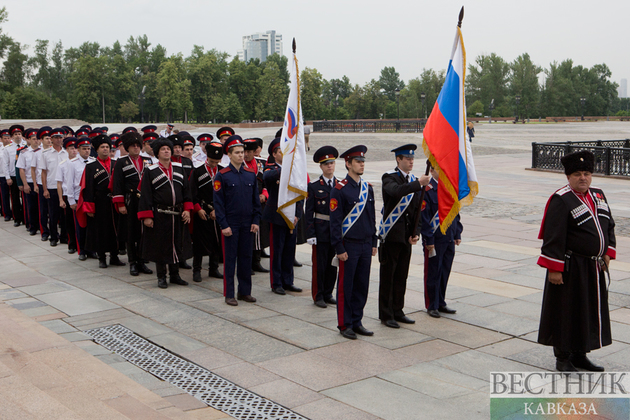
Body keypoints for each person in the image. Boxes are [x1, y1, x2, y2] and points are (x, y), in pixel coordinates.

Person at [537, 150, 615, 372]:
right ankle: (563, 357)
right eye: (578, 174)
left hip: (594, 266)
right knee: (566, 311)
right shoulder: (561, 199)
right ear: (568, 176)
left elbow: (609, 226)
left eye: (587, 173)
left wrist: (608, 252)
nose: (583, 178)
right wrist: (554, 268)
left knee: (587, 310)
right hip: (570, 267)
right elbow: (553, 236)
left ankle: (581, 354)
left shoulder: (598, 195)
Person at [378, 144, 431, 328]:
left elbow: (417, 210)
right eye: (407, 158)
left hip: (406, 237)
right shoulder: (389, 177)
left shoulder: (415, 180)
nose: (410, 161)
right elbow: (396, 192)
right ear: (398, 160)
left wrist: (415, 233)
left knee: (402, 276)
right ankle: (386, 314)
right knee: (388, 276)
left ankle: (398, 310)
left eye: (412, 158)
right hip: (392, 235)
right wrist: (418, 184)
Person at [330, 145, 377, 340]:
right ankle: (345, 324)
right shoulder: (339, 189)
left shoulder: (368, 189)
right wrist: (339, 247)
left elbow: (371, 218)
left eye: (363, 161)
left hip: (366, 244)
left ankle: (357, 321)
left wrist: (374, 242)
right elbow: (334, 223)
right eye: (358, 162)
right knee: (346, 286)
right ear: (348, 164)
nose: (362, 165)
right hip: (349, 245)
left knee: (361, 286)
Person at [138, 138, 193, 289]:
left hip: (178, 214)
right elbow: (146, 195)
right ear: (157, 153)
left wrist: (187, 209)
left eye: (168, 149)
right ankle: (161, 276)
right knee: (161, 246)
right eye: (163, 149)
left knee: (176, 244)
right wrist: (147, 216)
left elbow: (187, 191)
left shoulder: (179, 169)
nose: (167, 151)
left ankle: (175, 275)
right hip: (160, 214)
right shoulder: (150, 171)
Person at [213, 135, 261, 306]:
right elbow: (218, 204)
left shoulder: (250, 175)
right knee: (230, 259)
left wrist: (256, 220)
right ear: (230, 154)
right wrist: (223, 224)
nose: (241, 155)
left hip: (248, 223)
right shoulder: (223, 176)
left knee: (246, 258)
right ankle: (229, 294)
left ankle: (245, 291)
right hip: (231, 224)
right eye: (237, 152)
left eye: (242, 152)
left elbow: (256, 200)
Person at [421, 160, 462, 318]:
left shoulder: (449, 188)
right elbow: (424, 218)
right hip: (435, 239)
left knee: (445, 270)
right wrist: (428, 240)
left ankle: (441, 301)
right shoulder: (428, 190)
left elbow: (455, 212)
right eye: (439, 168)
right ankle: (431, 304)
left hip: (449, 236)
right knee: (433, 271)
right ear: (431, 171)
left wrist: (457, 232)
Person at [77, 134, 125, 268]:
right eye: (102, 147)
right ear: (96, 150)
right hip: (99, 203)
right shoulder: (91, 167)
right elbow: (87, 188)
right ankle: (102, 257)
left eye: (107, 147)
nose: (105, 149)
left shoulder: (117, 164)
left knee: (115, 229)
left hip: (114, 202)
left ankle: (114, 257)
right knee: (100, 231)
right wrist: (89, 207)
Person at [263, 138, 303, 295]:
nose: (285, 154)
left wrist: (298, 215)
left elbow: (300, 193)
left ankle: (288, 281)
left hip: (292, 217)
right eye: (281, 151)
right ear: (274, 154)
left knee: (289, 250)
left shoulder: (296, 170)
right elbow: (267, 178)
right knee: (277, 250)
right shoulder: (270, 168)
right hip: (277, 216)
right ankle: (276, 282)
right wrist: (286, 169)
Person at [112, 132, 154, 277]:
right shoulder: (121, 162)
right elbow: (117, 185)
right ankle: (133, 263)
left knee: (144, 232)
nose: (136, 148)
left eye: (138, 146)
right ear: (127, 148)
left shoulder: (148, 160)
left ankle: (142, 260)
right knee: (131, 233)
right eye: (133, 146)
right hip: (130, 201)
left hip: (145, 201)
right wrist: (120, 204)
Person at [305, 146, 339, 308]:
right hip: (320, 231)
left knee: (333, 265)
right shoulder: (313, 186)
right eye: (326, 164)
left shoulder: (340, 185)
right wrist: (310, 233)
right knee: (320, 266)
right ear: (321, 166)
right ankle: (318, 295)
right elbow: (309, 212)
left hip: (336, 233)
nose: (329, 166)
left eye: (331, 163)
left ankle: (328, 293)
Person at [189, 142, 224, 282]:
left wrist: (218, 210)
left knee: (216, 241)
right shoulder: (197, 171)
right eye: (211, 161)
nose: (214, 164)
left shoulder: (222, 171)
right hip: (202, 211)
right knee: (199, 242)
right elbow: (192, 193)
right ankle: (196, 270)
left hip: (217, 212)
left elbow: (226, 194)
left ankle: (213, 268)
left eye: (217, 162)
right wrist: (198, 209)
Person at [243, 138, 269, 274]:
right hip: (244, 204)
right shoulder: (239, 164)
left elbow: (267, 182)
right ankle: (246, 263)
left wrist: (264, 193)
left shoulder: (262, 164)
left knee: (259, 233)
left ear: (255, 151)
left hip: (260, 203)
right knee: (247, 234)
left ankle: (256, 261)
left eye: (249, 151)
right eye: (244, 151)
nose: (246, 154)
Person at [40, 128, 69, 247]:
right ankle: (53, 236)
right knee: (53, 214)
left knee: (65, 214)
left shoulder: (67, 153)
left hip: (65, 187)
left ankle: (64, 236)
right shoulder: (45, 154)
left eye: (60, 137)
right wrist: (45, 189)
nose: (58, 139)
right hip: (52, 187)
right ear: (51, 139)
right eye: (56, 137)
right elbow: (43, 173)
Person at [69, 137, 95, 261]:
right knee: (80, 225)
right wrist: (71, 200)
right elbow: (69, 183)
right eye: (84, 149)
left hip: (90, 198)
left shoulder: (93, 162)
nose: (86, 151)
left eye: (88, 149)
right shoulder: (72, 163)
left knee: (91, 225)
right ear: (78, 150)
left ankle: (91, 249)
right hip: (78, 197)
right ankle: (82, 251)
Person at [56, 137, 78, 253]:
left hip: (80, 195)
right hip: (67, 195)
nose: (74, 151)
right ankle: (72, 244)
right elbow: (59, 183)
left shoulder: (84, 162)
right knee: (69, 221)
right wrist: (61, 199)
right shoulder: (62, 164)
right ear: (67, 150)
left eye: (75, 148)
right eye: (71, 148)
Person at [17, 129, 41, 236]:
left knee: (42, 207)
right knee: (31, 206)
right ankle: (33, 226)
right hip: (30, 182)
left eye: (37, 139)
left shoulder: (43, 151)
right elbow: (21, 169)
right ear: (29, 140)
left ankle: (42, 226)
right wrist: (25, 184)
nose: (36, 141)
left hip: (41, 182)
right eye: (33, 139)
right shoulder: (24, 152)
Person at [3, 125, 26, 226]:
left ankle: (26, 218)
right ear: (12, 137)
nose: (18, 136)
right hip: (13, 176)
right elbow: (5, 164)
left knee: (25, 198)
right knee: (15, 198)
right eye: (15, 134)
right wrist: (8, 177)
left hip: (24, 176)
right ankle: (17, 218)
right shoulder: (8, 149)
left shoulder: (25, 146)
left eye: (19, 134)